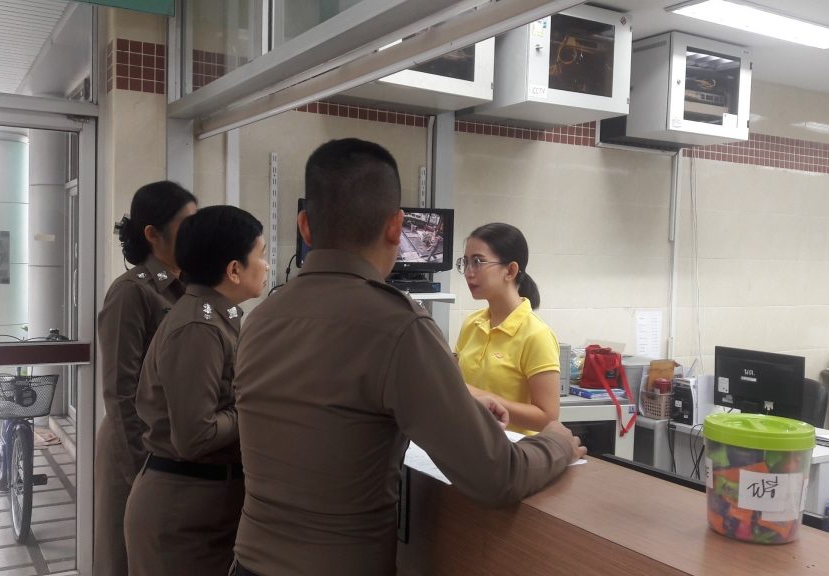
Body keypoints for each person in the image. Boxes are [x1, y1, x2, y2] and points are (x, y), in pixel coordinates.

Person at [231, 138, 585, 576]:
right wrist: (557, 443)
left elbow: (326, 413)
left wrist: (460, 405)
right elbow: (497, 477)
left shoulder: (260, 318)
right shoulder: (398, 326)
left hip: (249, 561)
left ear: (304, 226)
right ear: (397, 227)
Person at [124, 205, 268, 576]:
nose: (267, 266)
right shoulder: (199, 329)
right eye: (261, 255)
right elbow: (194, 435)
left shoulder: (217, 316)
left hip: (204, 505)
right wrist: (253, 408)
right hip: (182, 512)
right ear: (234, 269)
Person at [94, 180, 196, 576]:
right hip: (133, 444)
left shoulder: (189, 288)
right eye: (186, 224)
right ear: (153, 233)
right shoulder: (130, 292)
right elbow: (119, 391)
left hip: (168, 446)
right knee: (124, 558)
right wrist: (140, 468)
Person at [455, 223, 561, 435]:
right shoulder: (472, 323)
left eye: (478, 262)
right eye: (465, 262)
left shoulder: (536, 335)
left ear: (510, 271)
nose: (468, 272)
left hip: (514, 449)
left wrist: (478, 396)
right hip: (472, 442)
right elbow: (457, 385)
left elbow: (548, 418)